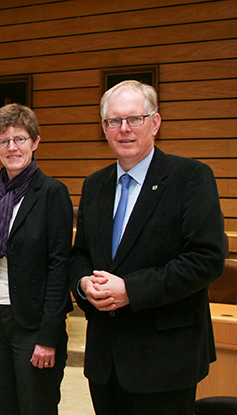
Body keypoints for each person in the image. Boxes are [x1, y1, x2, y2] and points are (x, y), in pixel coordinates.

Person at [69, 80, 225, 415]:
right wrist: (83, 283)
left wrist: (131, 290)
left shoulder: (191, 177)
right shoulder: (95, 185)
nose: (123, 129)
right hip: (105, 359)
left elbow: (206, 258)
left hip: (165, 360)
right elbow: (80, 254)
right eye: (114, 121)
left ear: (155, 123)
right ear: (104, 128)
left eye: (134, 119)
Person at [0, 104, 73, 414]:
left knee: (35, 406)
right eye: (4, 141)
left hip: (32, 322)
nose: (12, 147)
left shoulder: (52, 193)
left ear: (35, 142)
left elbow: (60, 268)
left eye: (20, 138)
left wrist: (48, 337)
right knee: (1, 406)